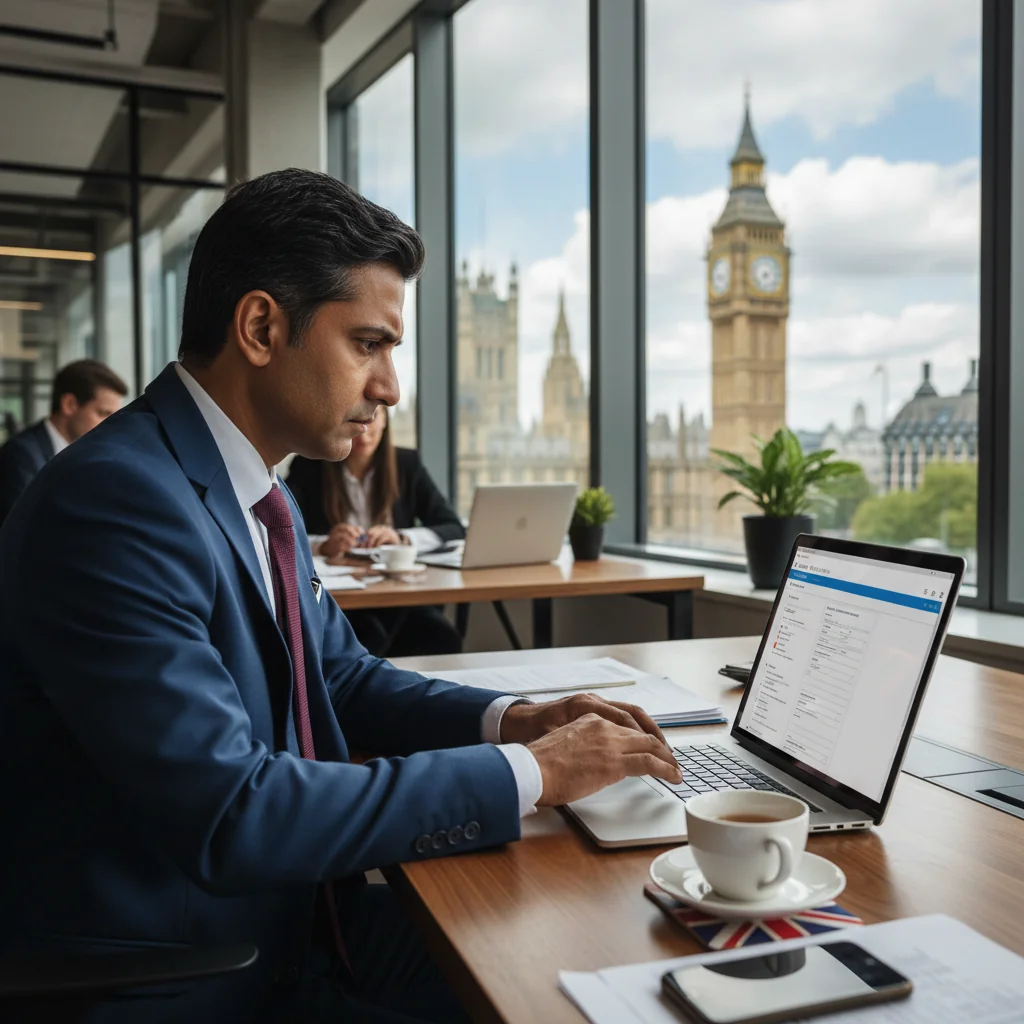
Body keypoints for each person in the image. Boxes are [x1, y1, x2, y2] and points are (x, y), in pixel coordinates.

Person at [0, 169, 682, 1024]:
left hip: (293, 917)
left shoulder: (259, 493)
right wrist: (536, 775)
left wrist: (513, 721)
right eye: (369, 344)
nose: (391, 388)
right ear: (260, 327)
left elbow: (344, 681)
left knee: (595, 959)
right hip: (195, 972)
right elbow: (234, 812)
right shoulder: (117, 502)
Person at [287, 409, 465, 656]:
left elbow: (452, 527)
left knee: (440, 635)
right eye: (353, 418)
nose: (364, 430)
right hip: (342, 599)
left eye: (372, 417)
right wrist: (324, 544)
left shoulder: (406, 464)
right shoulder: (309, 466)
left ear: (385, 421)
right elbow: (282, 534)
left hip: (399, 596)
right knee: (367, 634)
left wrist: (401, 538)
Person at [0, 358, 127, 525]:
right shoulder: (20, 457)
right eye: (103, 413)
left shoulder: (91, 455)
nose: (112, 425)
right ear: (69, 405)